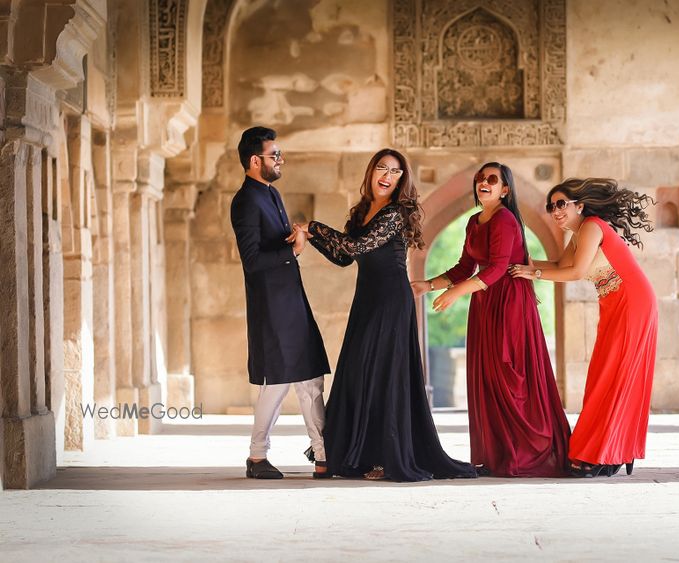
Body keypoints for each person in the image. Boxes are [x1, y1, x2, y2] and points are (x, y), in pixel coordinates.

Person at [289, 148, 476, 482]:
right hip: (367, 299)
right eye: (381, 168)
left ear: (401, 179)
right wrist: (311, 236)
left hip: (391, 300)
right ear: (371, 172)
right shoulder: (362, 211)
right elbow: (344, 258)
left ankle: (388, 458)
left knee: (384, 375)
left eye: (395, 172)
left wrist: (313, 227)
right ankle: (358, 455)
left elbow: (355, 247)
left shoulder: (393, 214)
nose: (387, 176)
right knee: (359, 373)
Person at [412, 163, 570, 477]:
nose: (483, 182)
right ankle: (499, 454)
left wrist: (456, 293)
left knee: (510, 374)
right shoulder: (473, 222)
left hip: (509, 302)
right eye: (480, 179)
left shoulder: (505, 219)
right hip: (484, 303)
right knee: (488, 376)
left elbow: (497, 269)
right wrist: (427, 286)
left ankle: (523, 454)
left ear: (505, 190)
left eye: (491, 179)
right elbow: (463, 268)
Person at [510, 177, 657, 478]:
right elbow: (558, 265)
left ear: (580, 205)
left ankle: (606, 452)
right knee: (604, 376)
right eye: (551, 207)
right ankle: (612, 449)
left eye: (561, 204)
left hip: (632, 300)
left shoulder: (591, 226)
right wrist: (515, 263)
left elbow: (575, 273)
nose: (555, 211)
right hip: (614, 303)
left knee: (613, 376)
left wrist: (533, 273)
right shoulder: (578, 235)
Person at [230, 126, 329, 480]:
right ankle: (258, 457)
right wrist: (293, 249)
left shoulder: (270, 194)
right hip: (272, 307)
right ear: (255, 160)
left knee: (310, 378)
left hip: (290, 299)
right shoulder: (245, 201)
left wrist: (295, 238)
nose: (280, 160)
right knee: (279, 381)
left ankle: (323, 455)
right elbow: (252, 260)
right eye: (274, 155)